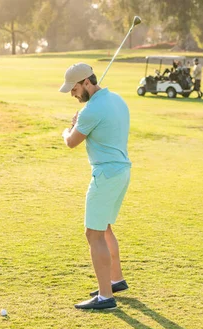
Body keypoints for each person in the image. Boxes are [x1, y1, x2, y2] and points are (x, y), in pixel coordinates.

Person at [59, 63, 131, 310]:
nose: (73, 94)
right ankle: (115, 279)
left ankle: (105, 297)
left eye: (75, 89)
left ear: (87, 83)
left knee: (93, 233)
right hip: (122, 172)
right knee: (105, 228)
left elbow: (71, 142)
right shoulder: (117, 99)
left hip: (106, 175)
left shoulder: (90, 111)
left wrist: (68, 128)